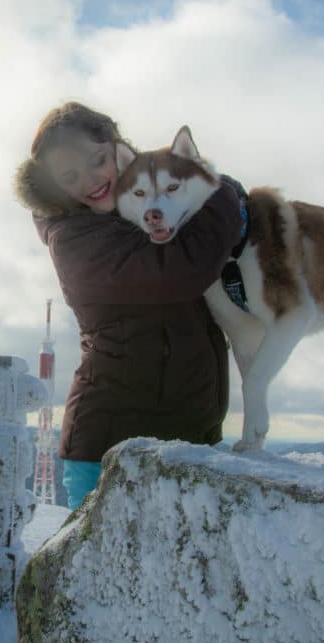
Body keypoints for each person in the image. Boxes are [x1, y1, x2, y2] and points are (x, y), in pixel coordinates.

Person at [14, 101, 245, 510]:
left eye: (98, 161)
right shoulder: (73, 237)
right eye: (70, 176)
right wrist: (222, 191)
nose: (91, 181)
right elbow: (180, 271)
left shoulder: (146, 205)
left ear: (115, 145)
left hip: (190, 435)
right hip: (108, 446)